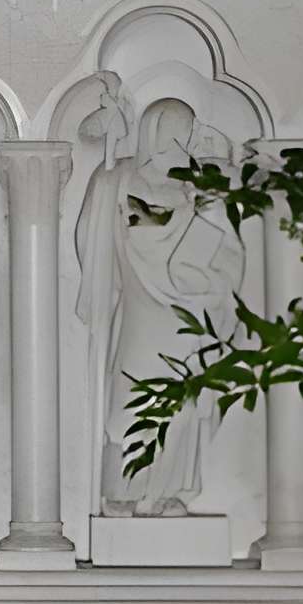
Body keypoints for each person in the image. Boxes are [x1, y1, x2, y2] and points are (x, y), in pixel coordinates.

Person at [74, 85, 241, 511]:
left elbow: (224, 250)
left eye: (186, 129)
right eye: (174, 128)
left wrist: (213, 198)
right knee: (133, 398)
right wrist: (106, 186)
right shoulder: (120, 177)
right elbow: (99, 241)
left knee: (182, 403)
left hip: (192, 314)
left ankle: (165, 492)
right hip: (144, 310)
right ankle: (125, 492)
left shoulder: (199, 185)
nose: (181, 138)